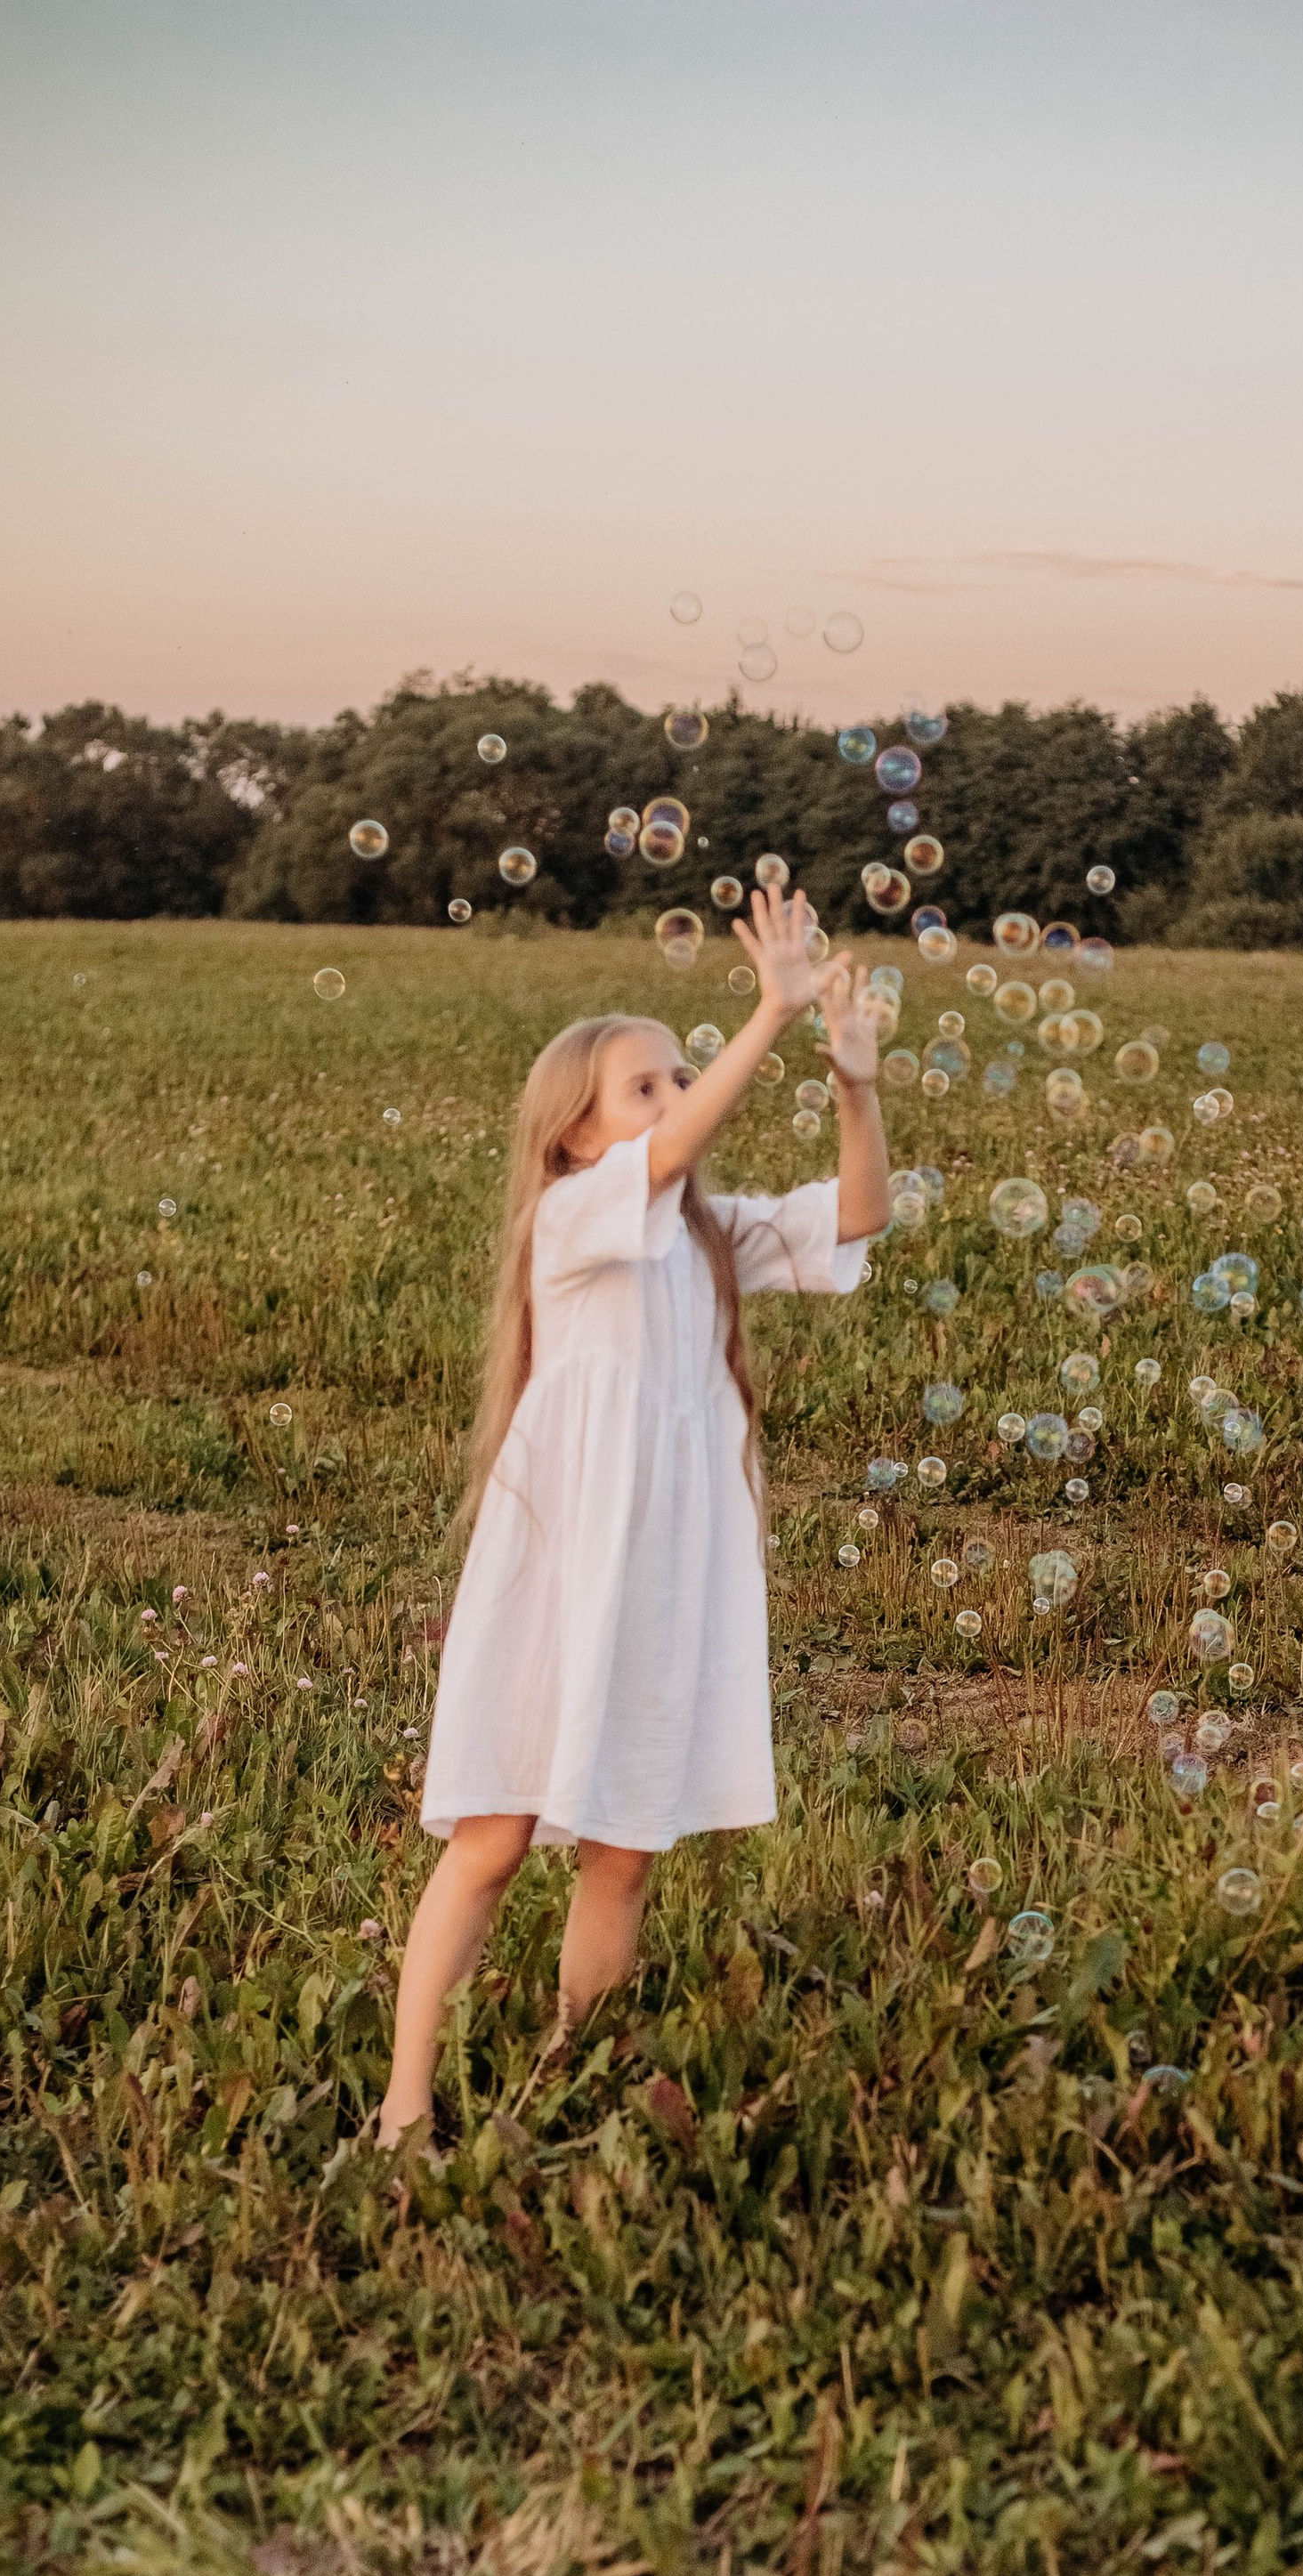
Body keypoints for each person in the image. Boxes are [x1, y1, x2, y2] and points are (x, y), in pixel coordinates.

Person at [377, 883, 886, 2149]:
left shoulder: (707, 1235)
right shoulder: (573, 1218)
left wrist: (854, 1081)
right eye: (643, 1086)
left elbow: (859, 1214)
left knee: (624, 1847)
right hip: (562, 1568)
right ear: (574, 1134)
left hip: (661, 1571)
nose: (672, 1100)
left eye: (679, 1078)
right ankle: (404, 2103)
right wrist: (769, 1015)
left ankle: (568, 2085)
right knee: (494, 1836)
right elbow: (658, 1161)